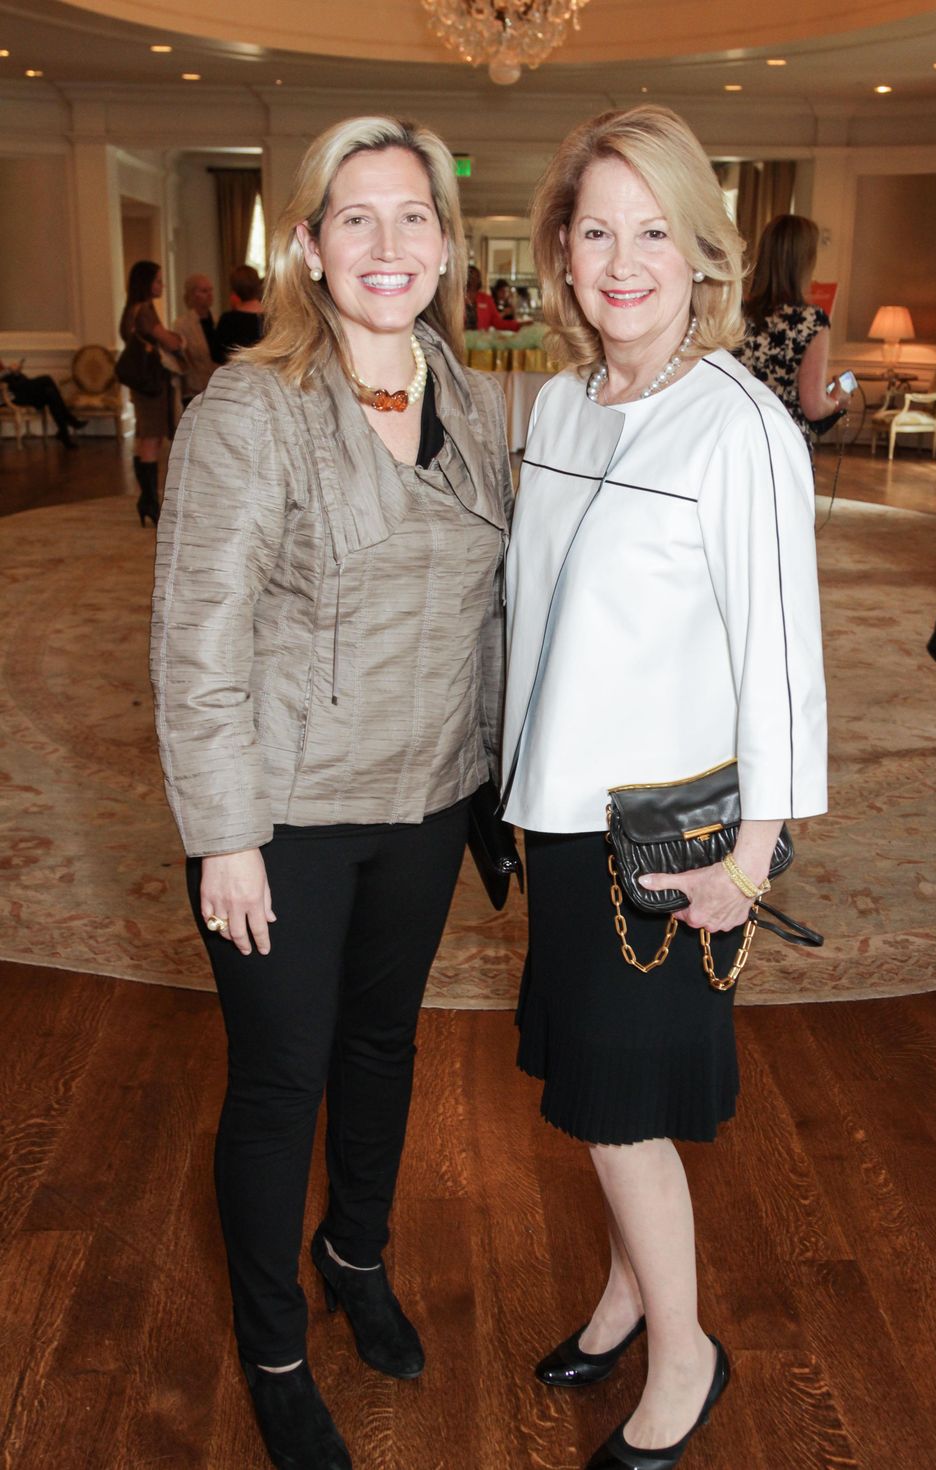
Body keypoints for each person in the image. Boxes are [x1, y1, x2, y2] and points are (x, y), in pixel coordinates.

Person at [150, 115, 511, 1470]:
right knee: (280, 1080)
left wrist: (494, 784)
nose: (387, 242)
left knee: (381, 1048)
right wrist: (224, 837)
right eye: (356, 216)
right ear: (308, 246)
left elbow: (487, 610)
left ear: (445, 245)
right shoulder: (252, 410)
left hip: (424, 801)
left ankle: (355, 1252)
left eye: (413, 214)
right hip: (284, 820)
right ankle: (274, 1350)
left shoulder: (464, 394)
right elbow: (198, 640)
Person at [501, 106, 827, 1470]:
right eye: (597, 230)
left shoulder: (738, 427)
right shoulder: (560, 403)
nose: (623, 261)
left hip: (661, 843)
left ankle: (686, 1351)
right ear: (563, 253)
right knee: (592, 1089)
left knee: (621, 1113)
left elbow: (783, 662)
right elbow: (530, 610)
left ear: (702, 254)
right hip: (557, 819)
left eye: (653, 231)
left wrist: (751, 861)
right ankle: (630, 1294)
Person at [736, 213, 851, 453]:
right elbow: (814, 407)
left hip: (739, 439)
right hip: (785, 444)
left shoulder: (736, 312)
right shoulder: (810, 321)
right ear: (805, 262)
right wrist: (837, 400)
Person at [119, 260, 185, 526]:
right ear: (146, 283)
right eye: (158, 280)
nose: (162, 285)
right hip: (152, 383)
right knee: (151, 438)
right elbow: (168, 341)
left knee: (147, 437)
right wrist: (179, 340)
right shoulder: (145, 310)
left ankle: (147, 500)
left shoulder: (130, 310)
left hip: (141, 383)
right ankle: (149, 500)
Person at [0, 357, 86, 448]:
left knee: (50, 393)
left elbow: (8, 377)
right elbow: (4, 376)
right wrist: (9, 370)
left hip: (19, 390)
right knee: (46, 379)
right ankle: (69, 421)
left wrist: (16, 372)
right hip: (10, 398)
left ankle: (64, 434)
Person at [172, 273, 219, 407]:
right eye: (204, 291)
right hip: (195, 389)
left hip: (217, 387)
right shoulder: (182, 325)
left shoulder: (218, 320)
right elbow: (183, 359)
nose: (210, 295)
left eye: (210, 290)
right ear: (192, 295)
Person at [214, 263, 265, 361]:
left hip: (239, 369)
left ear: (234, 289)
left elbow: (217, 355)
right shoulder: (273, 317)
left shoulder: (228, 320)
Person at [463, 264, 520, 332]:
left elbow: (498, 323)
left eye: (476, 276)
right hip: (459, 337)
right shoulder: (456, 299)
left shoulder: (486, 299)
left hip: (480, 338)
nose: (473, 279)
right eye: (470, 276)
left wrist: (519, 325)